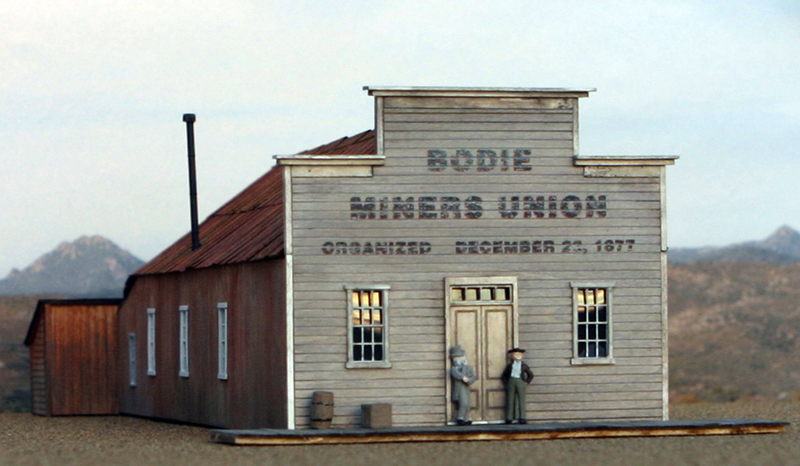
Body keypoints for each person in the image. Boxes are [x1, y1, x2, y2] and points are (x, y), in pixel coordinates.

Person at [501, 347, 534, 424]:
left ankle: (522, 417)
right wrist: (507, 383)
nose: (517, 356)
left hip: (520, 381)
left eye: (519, 355)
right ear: (512, 356)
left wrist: (525, 383)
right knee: (510, 399)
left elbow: (531, 375)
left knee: (521, 400)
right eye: (515, 355)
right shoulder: (510, 366)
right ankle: (509, 417)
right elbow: (504, 375)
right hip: (511, 381)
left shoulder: (524, 366)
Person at [449, 345, 476, 425]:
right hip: (459, 388)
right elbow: (457, 375)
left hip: (466, 387)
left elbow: (473, 376)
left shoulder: (468, 367)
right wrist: (462, 377)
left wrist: (469, 380)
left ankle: (467, 418)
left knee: (467, 403)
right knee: (463, 403)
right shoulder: (454, 369)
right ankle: (460, 417)